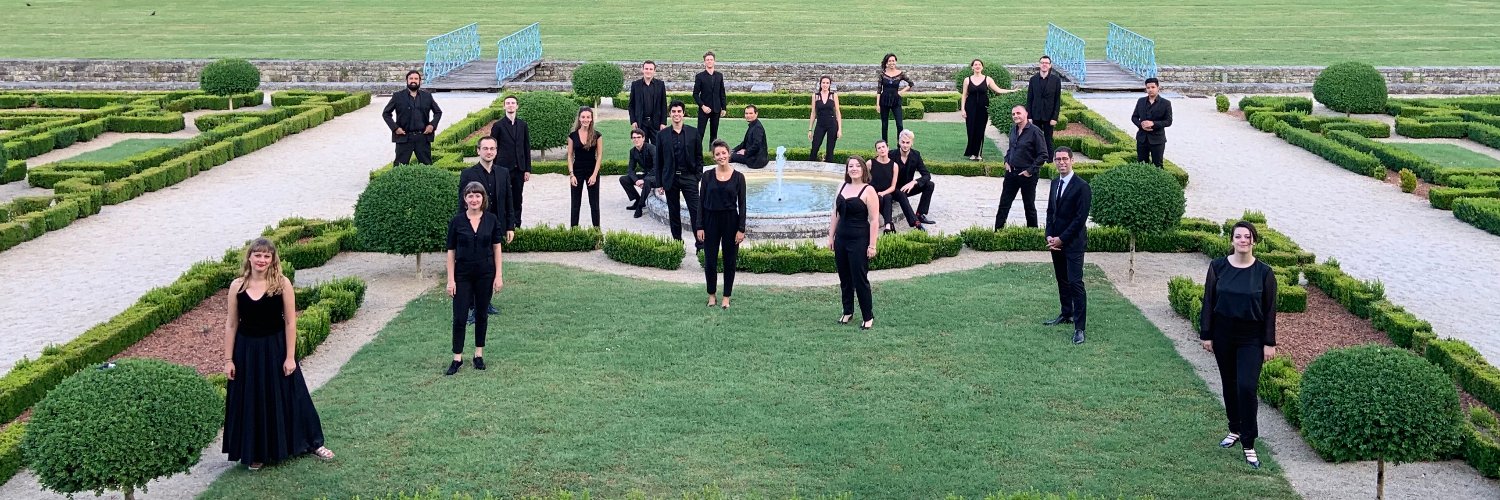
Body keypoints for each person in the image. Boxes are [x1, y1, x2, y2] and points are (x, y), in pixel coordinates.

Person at [223, 238, 334, 471]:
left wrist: (290, 356)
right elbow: (231, 325)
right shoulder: (237, 286)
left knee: (294, 396)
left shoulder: (282, 284)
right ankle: (257, 453)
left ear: (273, 259)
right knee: (252, 401)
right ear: (249, 257)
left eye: (266, 256)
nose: (262, 260)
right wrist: (228, 359)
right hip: (247, 352)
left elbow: (291, 323)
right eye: (258, 255)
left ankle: (314, 443)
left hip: (276, 348)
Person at [1199, 221, 1278, 470]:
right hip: (1223, 335)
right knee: (1229, 385)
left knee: (1246, 387)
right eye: (1238, 236)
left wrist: (1269, 343)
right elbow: (1209, 301)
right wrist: (1206, 335)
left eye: (1248, 236)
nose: (1243, 240)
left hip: (1251, 338)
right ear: (1232, 240)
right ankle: (1234, 428)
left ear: (1254, 241)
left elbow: (1270, 311)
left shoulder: (1264, 273)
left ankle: (1249, 442)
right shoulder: (1218, 267)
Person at [445, 182, 506, 376]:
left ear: (483, 199)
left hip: (485, 274)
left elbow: (497, 248)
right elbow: (450, 252)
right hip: (462, 275)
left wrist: (498, 275)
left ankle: (478, 354)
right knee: (460, 317)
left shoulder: (491, 220)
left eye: (477, 196)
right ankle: (457, 357)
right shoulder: (457, 222)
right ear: (465, 199)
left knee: (481, 314)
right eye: (470, 196)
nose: (474, 199)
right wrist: (450, 280)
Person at [457, 136, 515, 322]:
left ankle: (485, 302)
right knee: (475, 267)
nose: (489, 152)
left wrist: (510, 226)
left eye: (492, 148)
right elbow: (462, 203)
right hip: (474, 226)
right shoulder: (468, 174)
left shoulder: (503, 172)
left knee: (490, 266)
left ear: (496, 151)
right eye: (485, 148)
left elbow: (508, 201)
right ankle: (473, 307)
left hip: (494, 225)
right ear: (478, 151)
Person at [1043, 147, 1091, 345]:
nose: (1061, 162)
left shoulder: (1082, 186)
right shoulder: (1055, 183)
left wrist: (1062, 238)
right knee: (1062, 280)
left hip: (1073, 243)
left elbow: (1080, 219)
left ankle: (1080, 328)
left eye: (1065, 159)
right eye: (1058, 159)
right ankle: (1066, 313)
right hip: (1056, 242)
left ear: (1072, 161)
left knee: (1075, 283)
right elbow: (1050, 212)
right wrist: (1049, 235)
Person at [827, 156, 881, 330]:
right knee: (844, 277)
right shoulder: (841, 186)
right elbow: (836, 213)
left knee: (859, 279)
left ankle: (868, 315)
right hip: (841, 238)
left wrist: (872, 245)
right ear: (847, 169)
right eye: (851, 166)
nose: (854, 169)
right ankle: (847, 311)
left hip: (859, 239)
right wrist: (831, 236)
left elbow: (874, 220)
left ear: (864, 169)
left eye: (858, 166)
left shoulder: (869, 190)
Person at [696, 140, 747, 310]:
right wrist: (699, 226)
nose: (721, 156)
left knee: (729, 261)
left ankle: (726, 297)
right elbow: (700, 202)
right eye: (717, 154)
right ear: (713, 157)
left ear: (729, 154)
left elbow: (743, 205)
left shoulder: (739, 177)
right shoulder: (707, 176)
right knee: (710, 260)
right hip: (710, 220)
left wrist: (741, 229)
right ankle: (711, 295)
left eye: (723, 153)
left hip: (731, 221)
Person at [655, 100, 705, 245]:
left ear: (683, 113)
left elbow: (699, 157)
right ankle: (677, 243)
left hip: (689, 177)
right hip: (670, 179)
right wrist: (659, 183)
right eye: (673, 112)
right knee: (674, 212)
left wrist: (697, 177)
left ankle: (700, 245)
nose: (676, 114)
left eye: (679, 111)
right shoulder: (662, 135)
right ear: (670, 114)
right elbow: (659, 161)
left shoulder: (693, 132)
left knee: (696, 212)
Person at [995, 106, 1048, 229]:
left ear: (1026, 114)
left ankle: (1033, 233)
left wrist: (1029, 171)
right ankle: (997, 232)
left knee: (1029, 206)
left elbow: (1043, 155)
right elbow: (1010, 149)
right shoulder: (1013, 129)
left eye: (1018, 113)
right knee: (1004, 205)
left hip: (1027, 175)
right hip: (1011, 173)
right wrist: (1006, 161)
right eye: (1013, 114)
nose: (1015, 116)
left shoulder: (1035, 131)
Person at [960, 59, 1019, 161]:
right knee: (971, 130)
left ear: (982, 67)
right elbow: (964, 95)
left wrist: (1012, 91)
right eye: (975, 65)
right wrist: (963, 109)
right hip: (970, 108)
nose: (977, 66)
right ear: (972, 67)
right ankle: (972, 153)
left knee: (980, 130)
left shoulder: (988, 79)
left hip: (983, 108)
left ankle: (978, 154)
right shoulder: (967, 80)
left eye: (979, 65)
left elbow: (998, 90)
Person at [381, 70, 442, 165]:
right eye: (411, 78)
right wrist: (395, 128)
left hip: (422, 137)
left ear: (420, 81)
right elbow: (386, 113)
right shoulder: (397, 96)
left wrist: (432, 125)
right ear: (407, 80)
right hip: (404, 137)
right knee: (399, 167)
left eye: (416, 79)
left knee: (427, 166)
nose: (413, 81)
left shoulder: (427, 96)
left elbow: (438, 112)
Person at [490, 95, 531, 227]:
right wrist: (492, 168)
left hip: (519, 168)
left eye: (513, 103)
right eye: (508, 103)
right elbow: (492, 147)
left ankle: (517, 224)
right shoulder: (498, 126)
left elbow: (526, 147)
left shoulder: (523, 125)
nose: (510, 105)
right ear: (504, 106)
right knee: (502, 197)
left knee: (517, 198)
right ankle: (502, 225)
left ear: (517, 106)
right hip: (503, 168)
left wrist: (527, 169)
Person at [566, 107, 604, 228]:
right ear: (579, 118)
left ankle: (596, 231)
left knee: (594, 204)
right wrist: (571, 175)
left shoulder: (597, 135)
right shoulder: (572, 136)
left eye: (588, 117)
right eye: (583, 117)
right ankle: (574, 232)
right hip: (577, 171)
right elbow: (570, 156)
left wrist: (594, 175)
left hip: (592, 170)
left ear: (591, 119)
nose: (585, 119)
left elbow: (599, 156)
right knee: (575, 204)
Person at [893, 129, 936, 230]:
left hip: (908, 188)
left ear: (912, 143)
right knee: (901, 194)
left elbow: (926, 175)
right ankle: (915, 222)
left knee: (930, 184)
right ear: (899, 142)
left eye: (908, 142)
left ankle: (920, 214)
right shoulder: (891, 155)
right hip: (894, 189)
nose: (905, 145)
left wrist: (914, 182)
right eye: (903, 142)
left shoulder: (916, 155)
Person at [1026, 55, 1064, 157]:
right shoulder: (1033, 79)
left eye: (1046, 63)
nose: (1044, 65)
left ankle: (1050, 159)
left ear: (1050, 65)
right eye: (1042, 63)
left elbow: (1057, 100)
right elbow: (1029, 99)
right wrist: (1029, 116)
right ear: (1039, 64)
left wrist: (1054, 117)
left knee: (1048, 139)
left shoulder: (1056, 80)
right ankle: (1035, 158)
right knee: (1035, 139)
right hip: (1035, 115)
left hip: (1049, 116)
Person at [1131, 77, 1173, 168]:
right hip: (1142, 139)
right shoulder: (1141, 101)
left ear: (1158, 87)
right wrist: (1141, 125)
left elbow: (1168, 121)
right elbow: (1134, 117)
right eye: (1148, 88)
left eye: (1153, 87)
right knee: (1141, 165)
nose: (1150, 90)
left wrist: (1153, 124)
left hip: (1157, 140)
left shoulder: (1166, 103)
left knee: (1158, 166)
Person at [876, 53, 915, 143]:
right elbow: (878, 90)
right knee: (884, 125)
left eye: (893, 61)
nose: (891, 62)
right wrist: (877, 104)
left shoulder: (900, 74)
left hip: (896, 101)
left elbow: (911, 83)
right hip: (884, 101)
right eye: (889, 61)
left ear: (896, 62)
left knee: (899, 124)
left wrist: (901, 92)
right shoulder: (882, 75)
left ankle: (900, 144)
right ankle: (885, 144)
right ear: (887, 63)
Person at [620, 128, 657, 218]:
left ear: (643, 138)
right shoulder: (633, 151)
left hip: (658, 176)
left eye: (638, 137)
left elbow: (657, 167)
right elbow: (630, 169)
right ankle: (637, 200)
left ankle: (640, 207)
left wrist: (643, 180)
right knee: (623, 179)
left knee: (647, 181)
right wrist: (636, 180)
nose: (636, 139)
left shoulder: (652, 148)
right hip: (647, 175)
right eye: (634, 137)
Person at [693, 51, 728, 147]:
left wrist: (724, 107)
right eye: (707, 60)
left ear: (714, 61)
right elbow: (695, 94)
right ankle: (697, 155)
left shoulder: (719, 76)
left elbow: (722, 92)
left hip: (716, 109)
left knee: (714, 135)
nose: (709, 61)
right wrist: (702, 106)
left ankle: (712, 156)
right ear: (704, 62)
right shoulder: (700, 76)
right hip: (704, 109)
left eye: (711, 60)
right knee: (700, 134)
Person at [629, 61, 668, 145]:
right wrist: (633, 121)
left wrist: (663, 122)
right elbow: (631, 105)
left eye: (651, 69)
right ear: (642, 70)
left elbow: (663, 105)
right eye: (646, 69)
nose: (648, 71)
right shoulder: (635, 85)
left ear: (654, 71)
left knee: (657, 148)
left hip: (656, 123)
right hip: (641, 123)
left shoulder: (660, 85)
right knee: (642, 149)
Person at [807, 75, 843, 163]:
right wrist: (810, 129)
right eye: (823, 83)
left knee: (830, 148)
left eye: (827, 83)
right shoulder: (815, 96)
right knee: (815, 145)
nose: (825, 85)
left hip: (832, 124)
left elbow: (838, 112)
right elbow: (813, 113)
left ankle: (828, 167)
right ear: (820, 84)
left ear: (830, 84)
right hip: (820, 124)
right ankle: (810, 165)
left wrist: (840, 129)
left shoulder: (833, 95)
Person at [868, 140, 901, 234]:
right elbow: (864, 180)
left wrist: (883, 193)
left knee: (887, 197)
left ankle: (887, 225)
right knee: (881, 198)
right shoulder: (870, 163)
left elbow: (893, 187)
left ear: (888, 148)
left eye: (883, 147)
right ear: (876, 151)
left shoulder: (894, 166)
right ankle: (889, 224)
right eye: (879, 148)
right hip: (873, 193)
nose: (882, 149)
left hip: (886, 192)